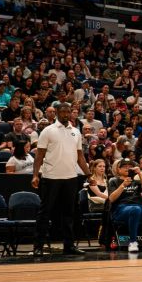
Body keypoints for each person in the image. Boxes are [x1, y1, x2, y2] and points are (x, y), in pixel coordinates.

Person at [30, 102, 89, 256]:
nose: (65, 114)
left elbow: (80, 156)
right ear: (56, 112)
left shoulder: (76, 132)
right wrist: (35, 175)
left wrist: (89, 175)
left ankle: (69, 246)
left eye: (68, 112)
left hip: (71, 178)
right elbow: (39, 155)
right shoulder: (48, 131)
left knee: (69, 214)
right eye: (62, 111)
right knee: (45, 213)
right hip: (51, 178)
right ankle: (38, 246)